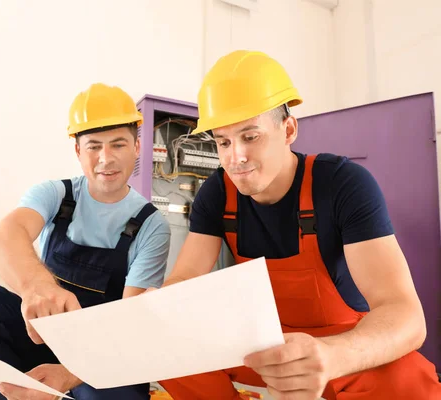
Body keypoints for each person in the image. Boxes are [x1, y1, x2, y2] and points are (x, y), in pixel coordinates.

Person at [155, 50, 441, 399]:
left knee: (409, 379)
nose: (235, 157)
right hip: (264, 349)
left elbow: (406, 316)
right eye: (223, 142)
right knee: (166, 351)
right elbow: (185, 279)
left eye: (250, 136)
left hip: (341, 344)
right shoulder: (217, 194)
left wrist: (332, 355)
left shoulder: (342, 184)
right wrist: (160, 308)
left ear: (288, 129)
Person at [0, 83, 171, 399]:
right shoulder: (55, 194)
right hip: (42, 339)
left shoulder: (152, 225)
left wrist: (70, 374)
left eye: (118, 144)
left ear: (137, 147)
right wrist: (37, 287)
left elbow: (130, 320)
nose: (106, 159)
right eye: (93, 146)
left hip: (104, 354)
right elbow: (6, 236)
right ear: (78, 150)